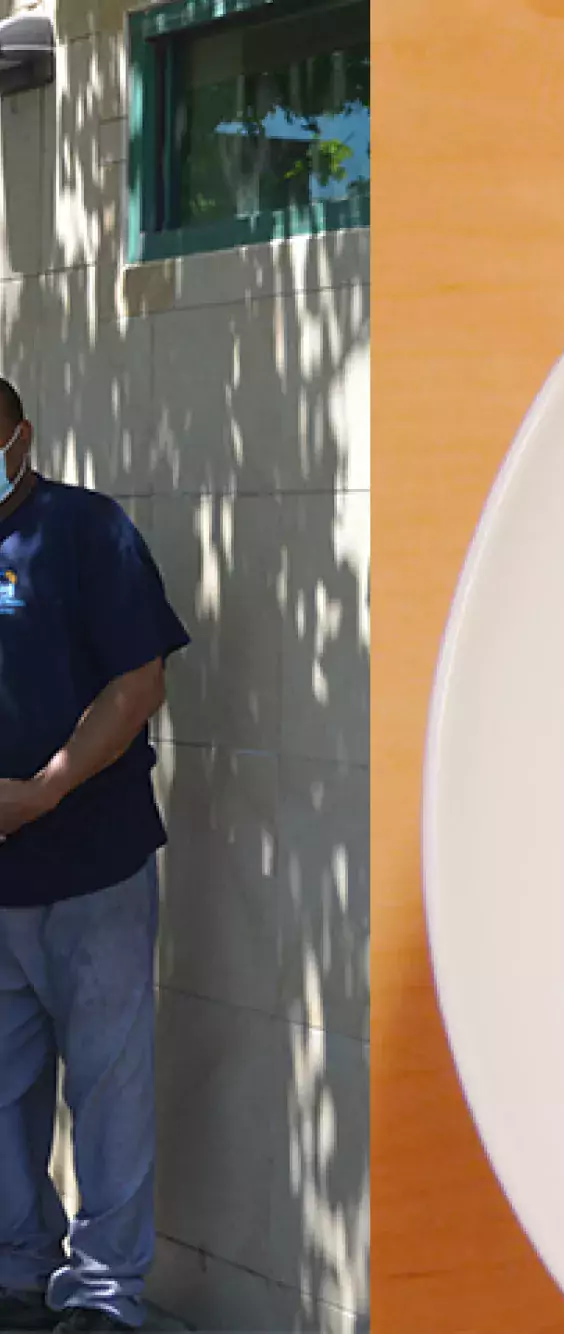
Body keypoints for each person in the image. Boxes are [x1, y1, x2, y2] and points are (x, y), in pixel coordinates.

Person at [0, 378, 190, 1333]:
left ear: (20, 437)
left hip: (92, 868)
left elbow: (138, 679)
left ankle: (106, 1298)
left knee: (109, 1090)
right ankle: (18, 1275)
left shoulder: (83, 532)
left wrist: (46, 790)